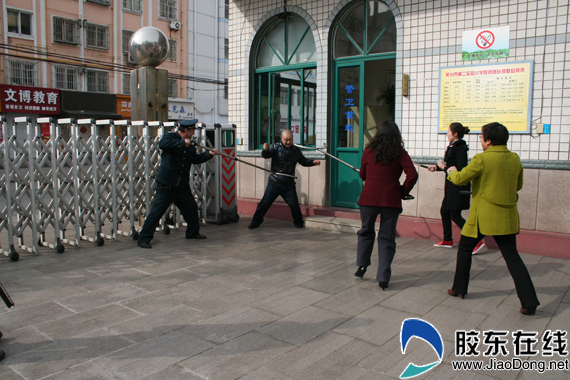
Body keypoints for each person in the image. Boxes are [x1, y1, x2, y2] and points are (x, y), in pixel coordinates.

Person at [446, 122, 540, 315]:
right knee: (513, 258)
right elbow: (518, 185)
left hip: (482, 217)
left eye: (482, 137)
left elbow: (461, 178)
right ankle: (529, 301)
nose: (481, 140)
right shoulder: (514, 158)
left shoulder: (482, 159)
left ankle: (459, 288)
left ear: (488, 141)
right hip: (506, 217)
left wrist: (450, 171)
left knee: (464, 248)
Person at [354, 120, 418, 290]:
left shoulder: (369, 150)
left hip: (368, 200)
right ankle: (383, 277)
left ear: (378, 133)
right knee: (386, 238)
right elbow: (412, 174)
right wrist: (402, 191)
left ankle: (362, 266)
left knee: (366, 232)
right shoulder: (400, 152)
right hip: (390, 200)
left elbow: (363, 174)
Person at [137, 119, 219, 249]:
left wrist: (208, 154)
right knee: (157, 212)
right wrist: (181, 143)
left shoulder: (190, 144)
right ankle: (144, 238)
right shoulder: (170, 137)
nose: (193, 134)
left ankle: (192, 233)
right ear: (186, 130)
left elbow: (194, 159)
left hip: (181, 186)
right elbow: (163, 144)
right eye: (192, 131)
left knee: (191, 208)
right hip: (166, 185)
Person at [429, 123, 484, 254]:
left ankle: (476, 240)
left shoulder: (461, 148)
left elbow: (459, 168)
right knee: (444, 211)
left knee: (454, 214)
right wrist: (437, 168)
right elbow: (450, 166)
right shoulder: (453, 146)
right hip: (450, 184)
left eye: (448, 131)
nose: (447, 134)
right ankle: (447, 239)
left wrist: (443, 167)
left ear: (455, 134)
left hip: (457, 184)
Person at [248, 130, 320, 229]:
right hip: (275, 182)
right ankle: (255, 222)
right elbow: (266, 155)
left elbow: (303, 161)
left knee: (294, 205)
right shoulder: (276, 147)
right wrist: (265, 150)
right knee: (264, 203)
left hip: (288, 184)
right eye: (286, 140)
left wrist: (313, 162)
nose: (288, 142)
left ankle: (298, 222)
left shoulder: (296, 150)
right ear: (282, 139)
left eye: (290, 139)